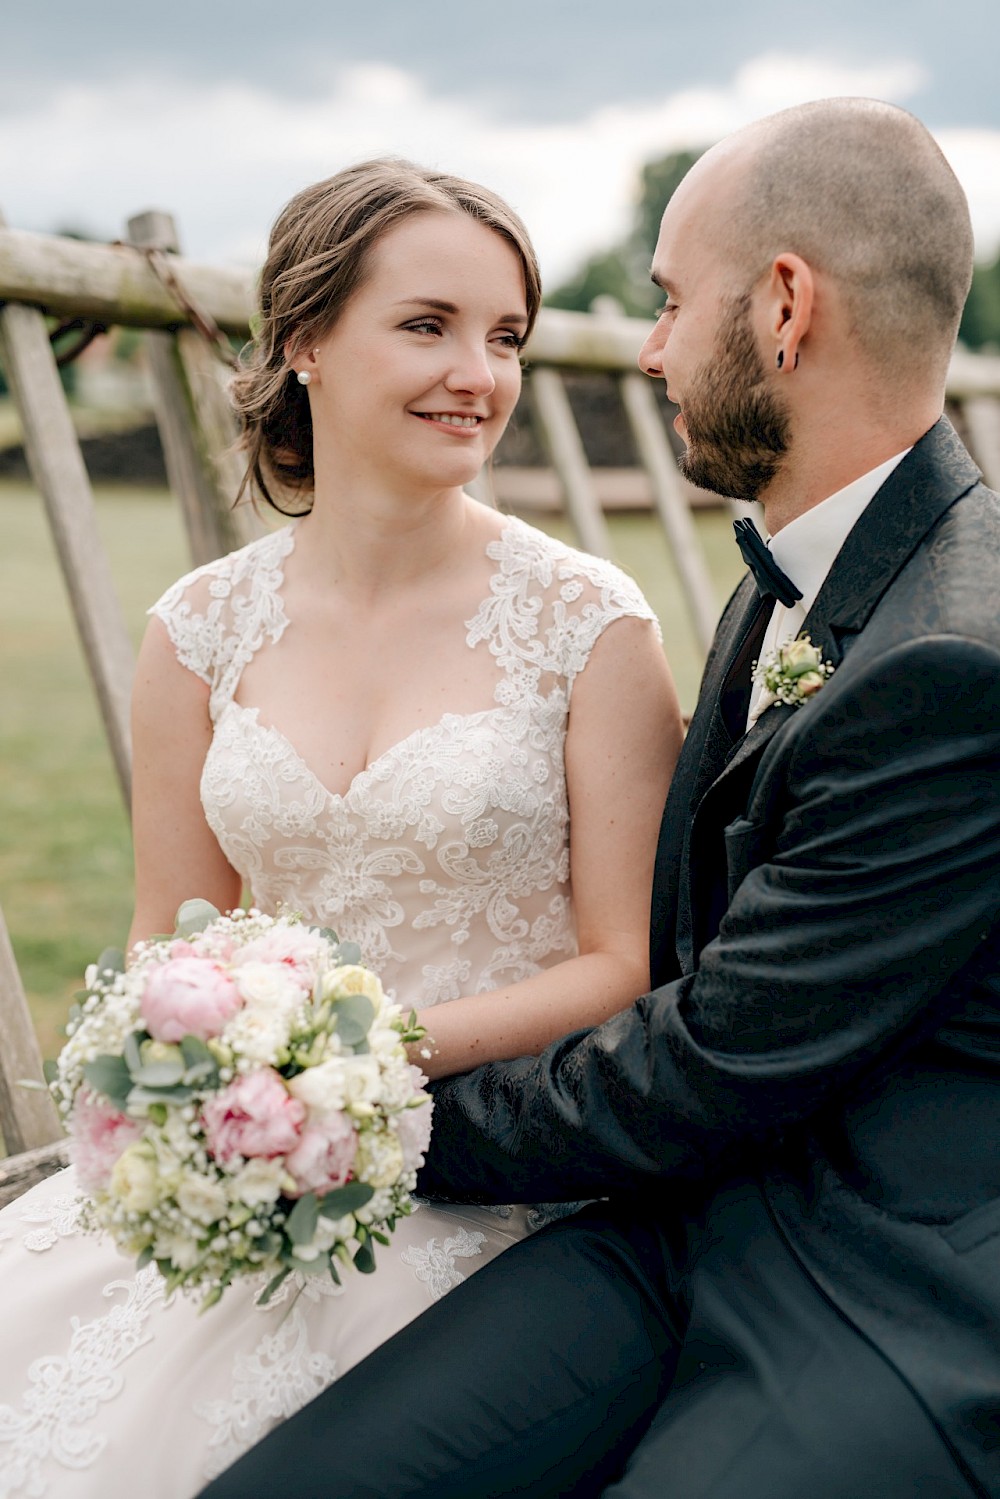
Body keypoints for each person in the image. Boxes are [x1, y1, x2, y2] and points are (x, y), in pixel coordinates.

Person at [199, 99, 1000, 1499]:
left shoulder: (951, 654)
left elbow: (716, 1057)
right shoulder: (807, 565)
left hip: (880, 1279)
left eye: (673, 302)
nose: (648, 349)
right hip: (673, 1221)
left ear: (787, 309)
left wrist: (346, 1125)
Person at [0, 161, 681, 1499]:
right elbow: (167, 936)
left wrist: (362, 1066)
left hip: (493, 1176)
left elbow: (626, 961)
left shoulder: (590, 624)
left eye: (505, 337)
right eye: (428, 325)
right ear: (305, 338)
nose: (477, 374)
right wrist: (193, 1099)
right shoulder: (198, 629)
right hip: (250, 1158)